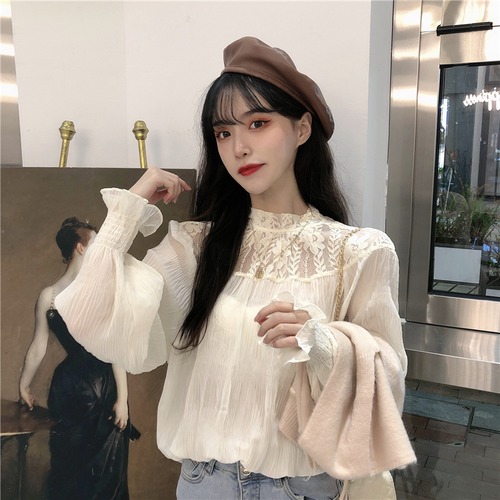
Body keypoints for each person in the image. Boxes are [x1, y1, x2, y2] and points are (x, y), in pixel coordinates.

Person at [55, 37, 416, 499]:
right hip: (202, 483)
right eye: (224, 133)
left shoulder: (357, 252)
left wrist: (321, 340)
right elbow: (93, 319)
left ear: (302, 128)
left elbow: (388, 386)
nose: (239, 147)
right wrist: (128, 210)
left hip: (299, 489)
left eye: (258, 123)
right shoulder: (195, 247)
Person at [19, 217, 137, 500]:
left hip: (74, 387)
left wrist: (24, 385)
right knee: (82, 472)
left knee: (85, 471)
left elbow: (38, 348)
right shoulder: (98, 292)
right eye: (96, 244)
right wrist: (122, 398)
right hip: (94, 387)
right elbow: (39, 347)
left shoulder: (49, 296)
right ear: (81, 248)